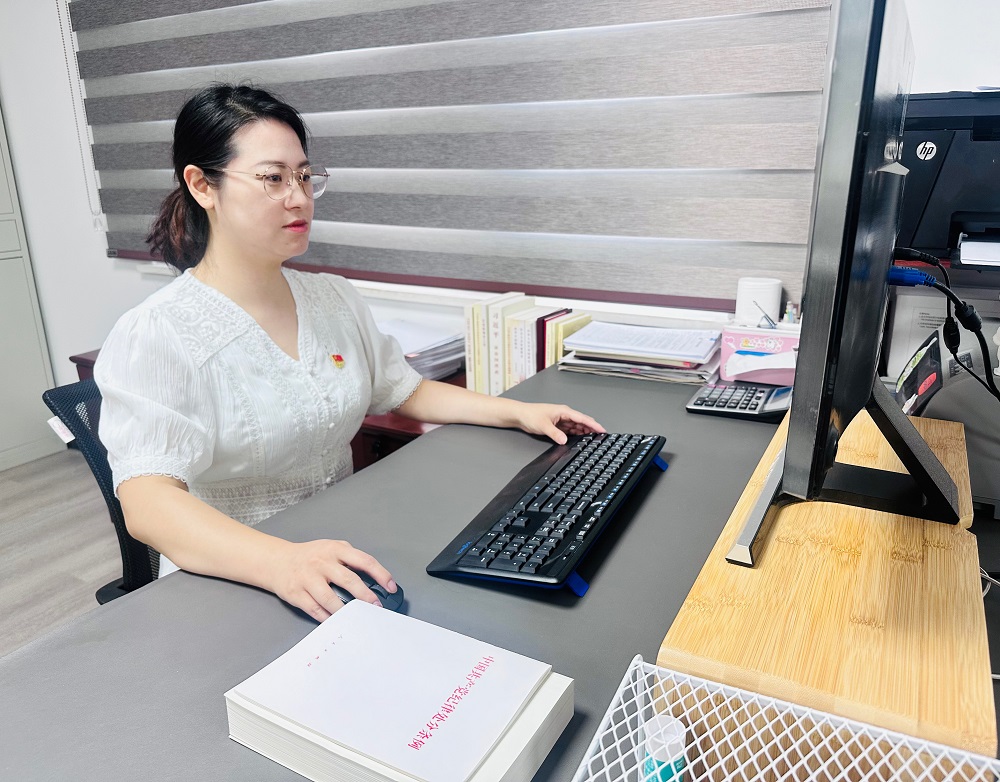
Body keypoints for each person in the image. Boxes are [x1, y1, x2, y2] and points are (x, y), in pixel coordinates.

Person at [94, 84, 604, 622]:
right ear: (203, 185)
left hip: (342, 554)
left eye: (304, 177)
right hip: (234, 579)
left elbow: (404, 390)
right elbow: (148, 504)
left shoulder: (332, 298)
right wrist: (279, 562)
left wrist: (518, 412)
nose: (298, 198)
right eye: (272, 178)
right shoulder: (158, 331)